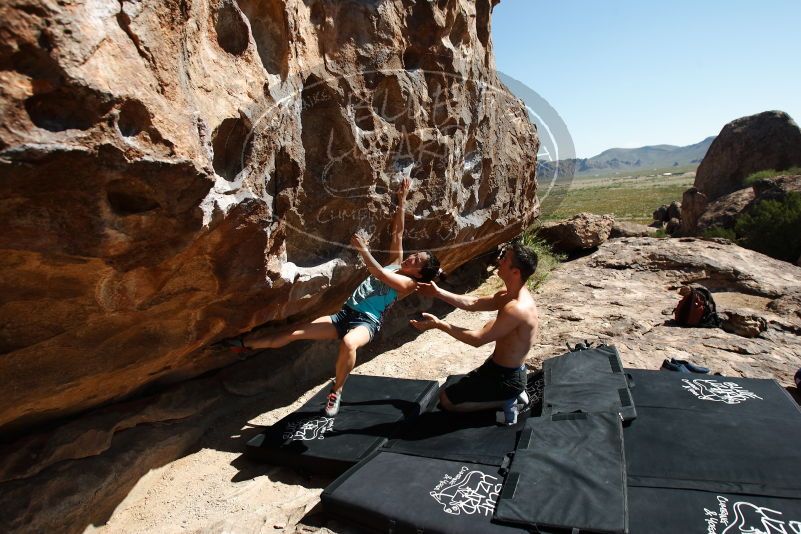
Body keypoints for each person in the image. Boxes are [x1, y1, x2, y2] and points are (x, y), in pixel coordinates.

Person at [230, 178, 441, 416]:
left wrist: (363, 250)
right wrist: (401, 200)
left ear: (419, 273)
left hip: (366, 322)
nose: (411, 257)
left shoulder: (408, 283)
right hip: (344, 314)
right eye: (415, 255)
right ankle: (243, 344)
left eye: (417, 261)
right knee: (292, 333)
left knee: (350, 343)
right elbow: (399, 232)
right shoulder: (397, 262)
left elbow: (379, 273)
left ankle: (336, 391)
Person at [410, 240, 539, 413]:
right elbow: (474, 302)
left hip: (507, 377)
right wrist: (438, 292)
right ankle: (506, 396)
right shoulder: (507, 294)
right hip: (495, 366)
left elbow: (477, 339)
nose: (499, 260)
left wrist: (439, 324)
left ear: (515, 272)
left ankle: (511, 400)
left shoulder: (517, 308)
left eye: (505, 259)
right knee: (446, 395)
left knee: (447, 402)